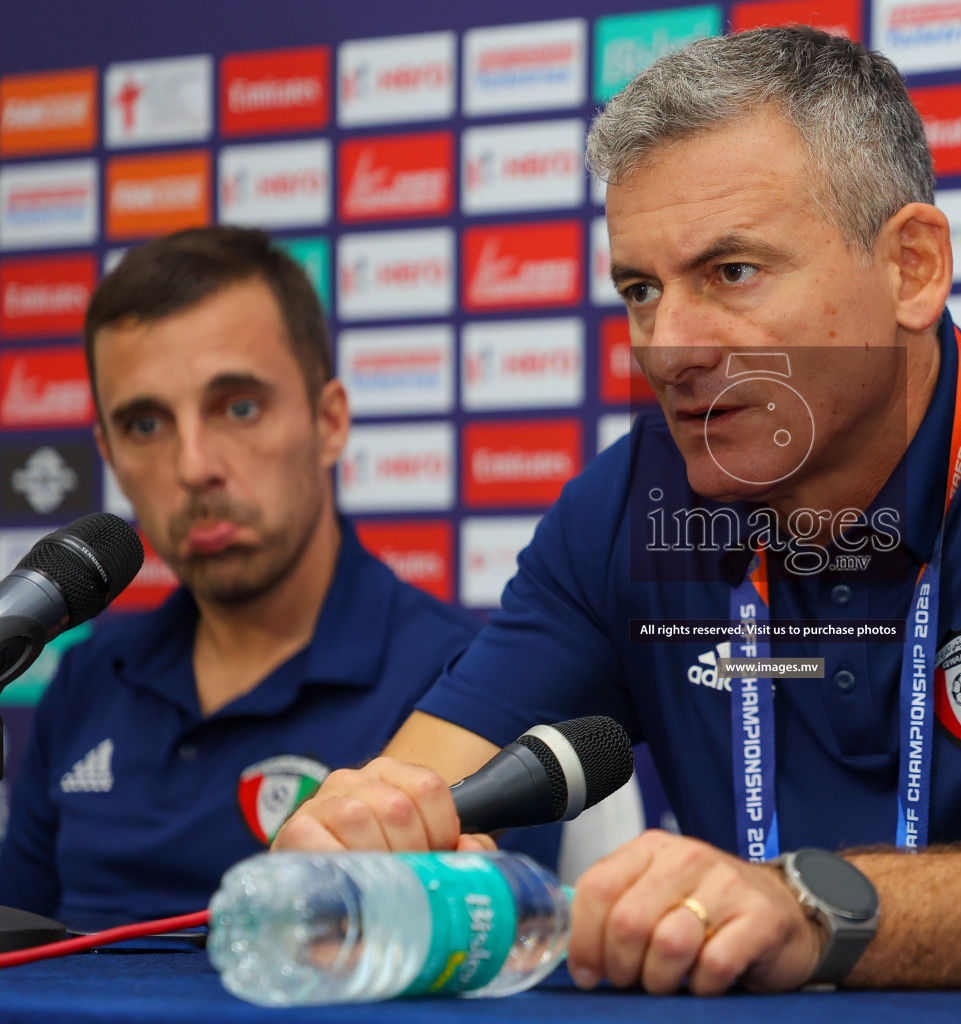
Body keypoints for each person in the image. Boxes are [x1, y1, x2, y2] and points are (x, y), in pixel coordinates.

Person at [275, 27, 961, 993]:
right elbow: (404, 799)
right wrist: (351, 840)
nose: (669, 345)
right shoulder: (631, 505)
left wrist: (812, 906)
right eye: (640, 288)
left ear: (911, 267)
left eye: (731, 271)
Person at [0, 227, 556, 926]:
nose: (193, 465)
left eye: (238, 407)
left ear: (329, 422)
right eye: (146, 425)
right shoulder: (87, 679)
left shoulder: (467, 682)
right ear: (108, 454)